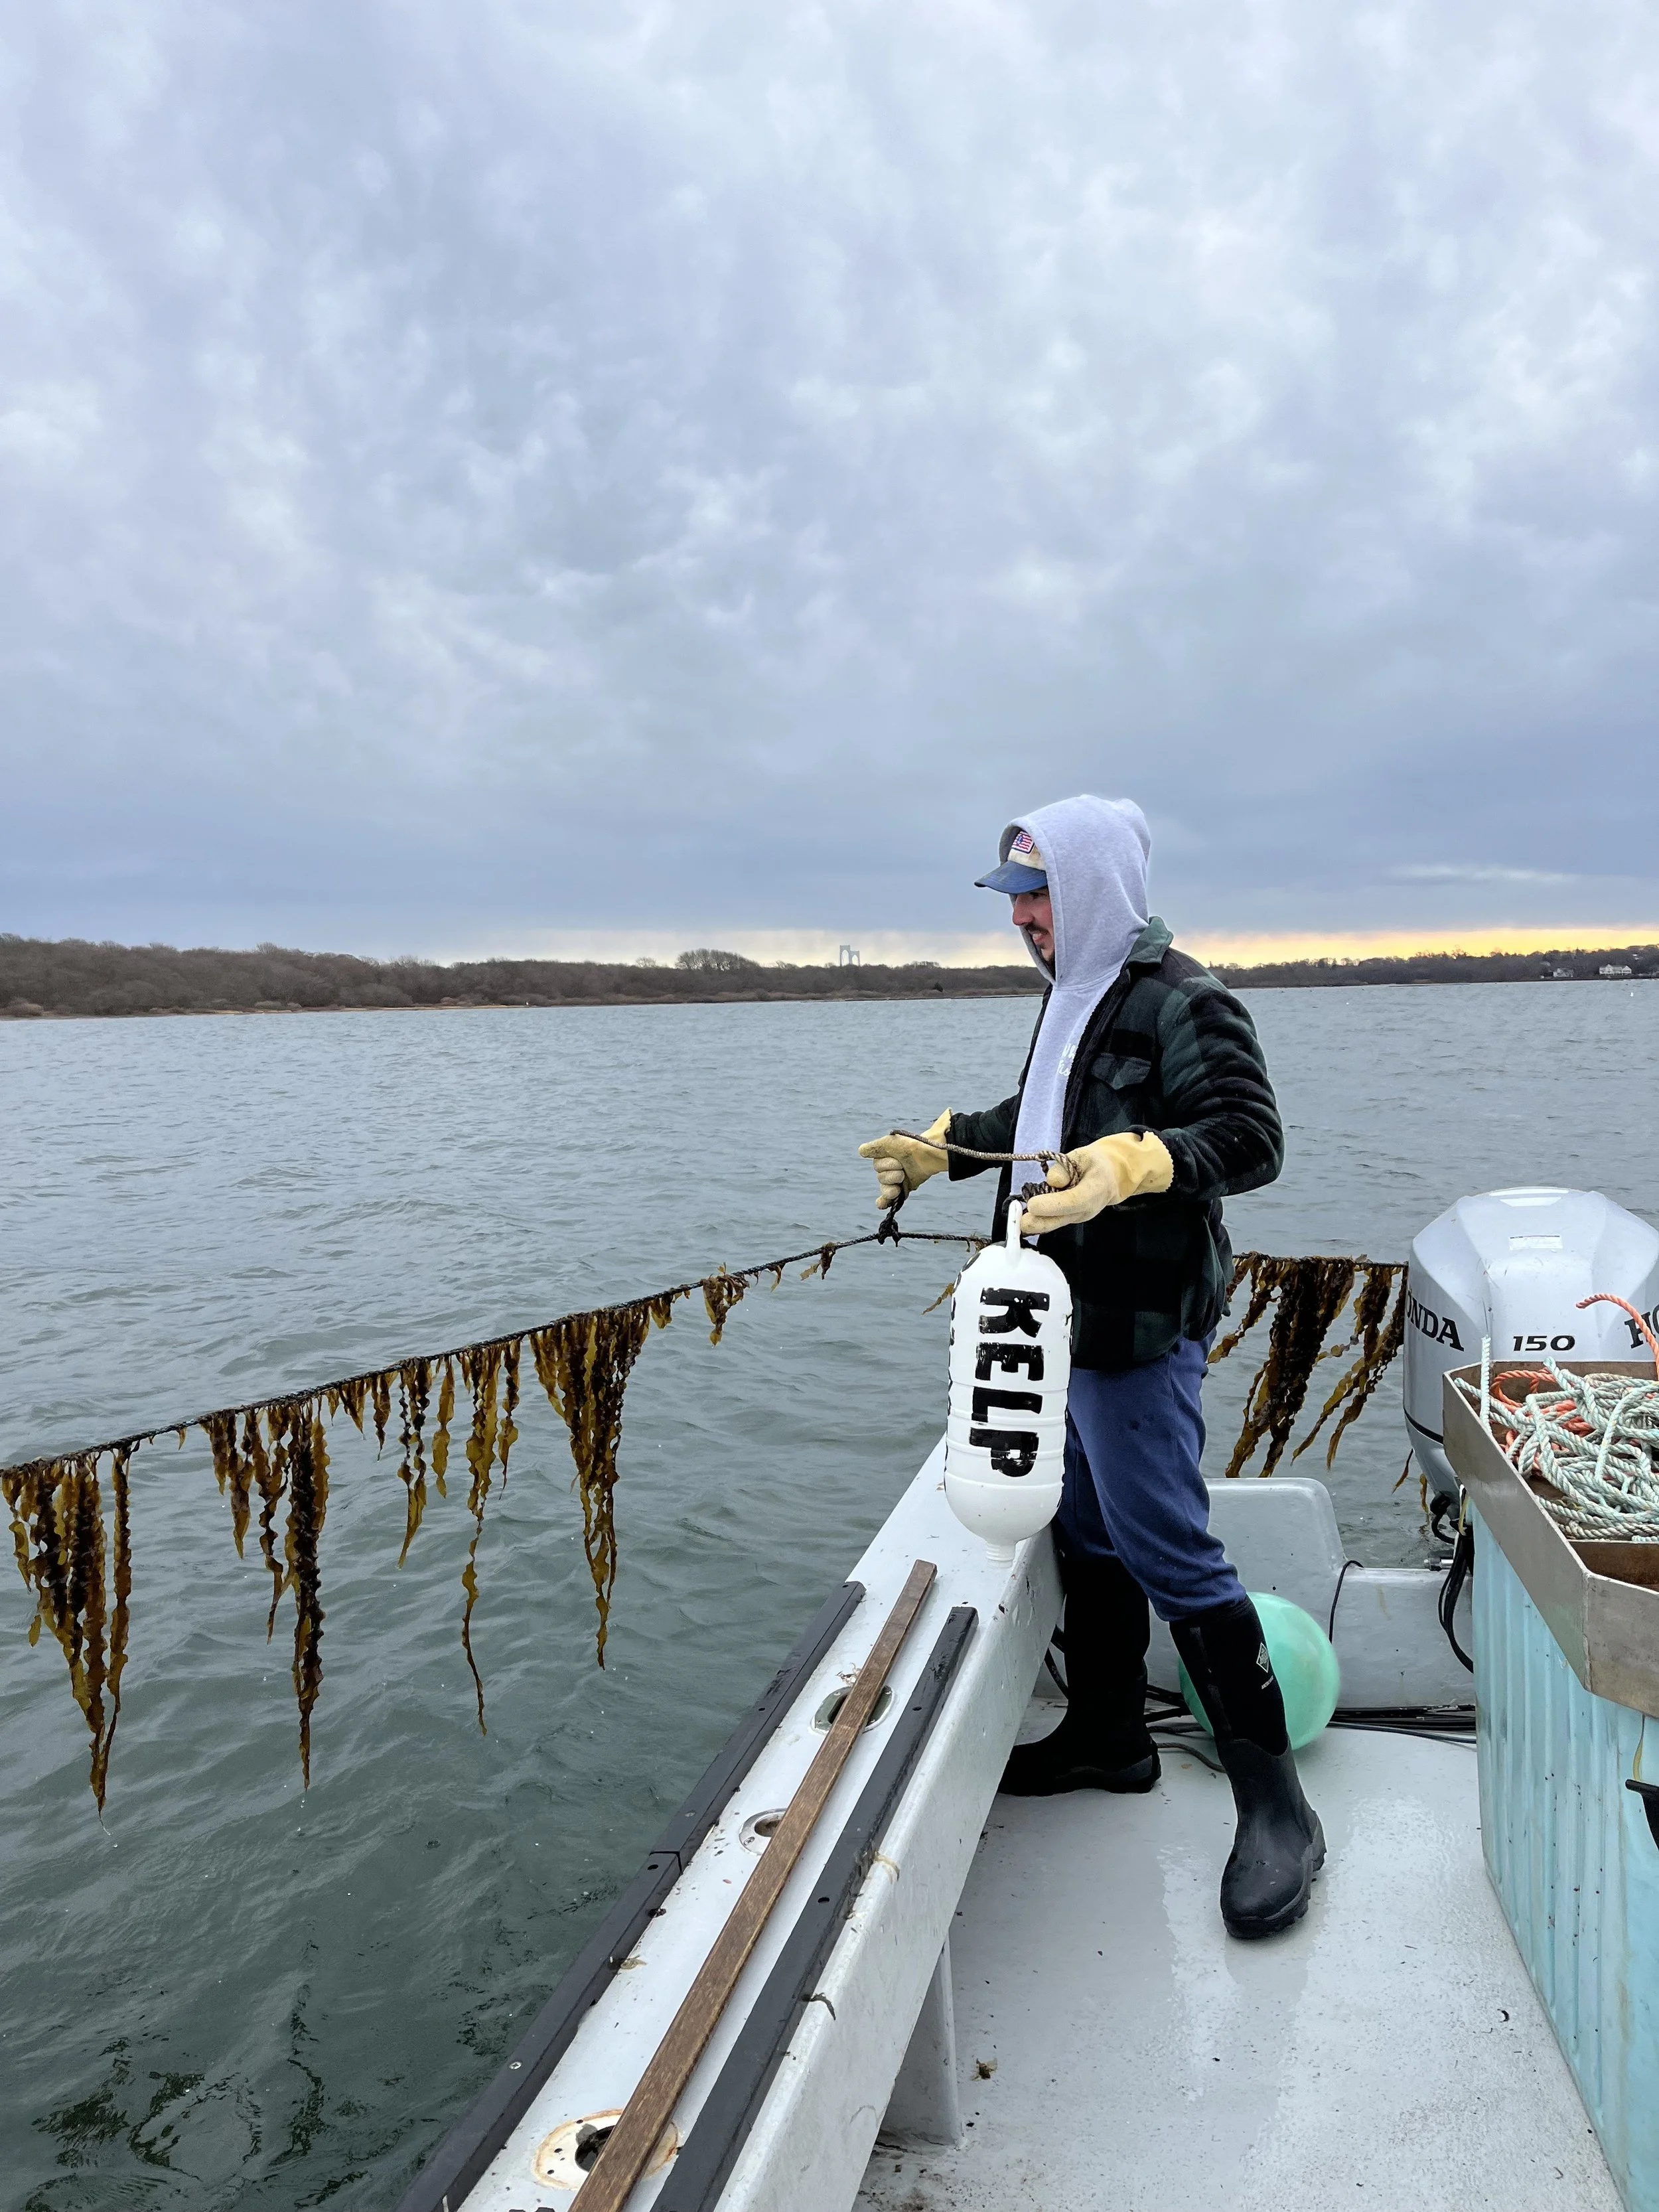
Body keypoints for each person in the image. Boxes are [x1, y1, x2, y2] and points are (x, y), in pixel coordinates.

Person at [857, 794, 1323, 1940]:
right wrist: (947, 1148)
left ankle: (1280, 1811)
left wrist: (1142, 1160)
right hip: (1066, 1313)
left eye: (1036, 895)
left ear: (1097, 887)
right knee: (1087, 1526)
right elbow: (1046, 1111)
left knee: (1168, 1543)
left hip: (1139, 1327)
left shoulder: (1183, 1001)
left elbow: (1253, 1139)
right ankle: (1111, 1737)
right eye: (1013, 899)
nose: (1019, 917)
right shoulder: (1077, 998)